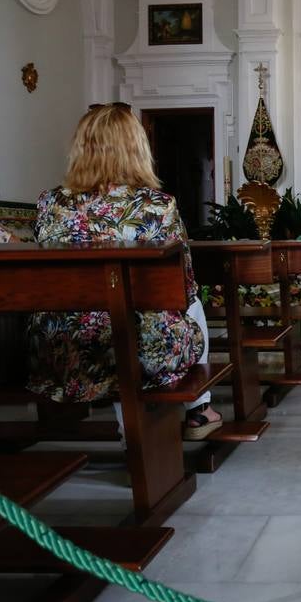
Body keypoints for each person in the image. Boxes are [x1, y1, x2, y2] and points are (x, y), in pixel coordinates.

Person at [26, 102, 220, 440]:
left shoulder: (48, 203)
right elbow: (182, 285)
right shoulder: (156, 205)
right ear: (136, 148)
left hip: (59, 345)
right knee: (185, 303)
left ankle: (129, 424)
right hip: (135, 348)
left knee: (114, 314)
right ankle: (199, 411)